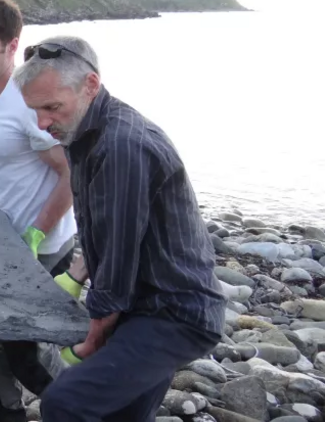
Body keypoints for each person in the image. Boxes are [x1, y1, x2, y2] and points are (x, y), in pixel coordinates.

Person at [13, 36, 226, 422]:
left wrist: (93, 341)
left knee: (65, 403)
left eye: (51, 108)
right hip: (143, 304)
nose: (43, 124)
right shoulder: (84, 133)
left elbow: (117, 257)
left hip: (173, 312)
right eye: (35, 111)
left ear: (90, 85)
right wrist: (78, 273)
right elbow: (102, 230)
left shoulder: (122, 146)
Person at [0, 0, 79, 421]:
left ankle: (84, 405)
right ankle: (5, 412)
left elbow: (69, 174)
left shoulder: (27, 102)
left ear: (12, 46)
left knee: (23, 346)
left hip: (39, 246)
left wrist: (37, 234)